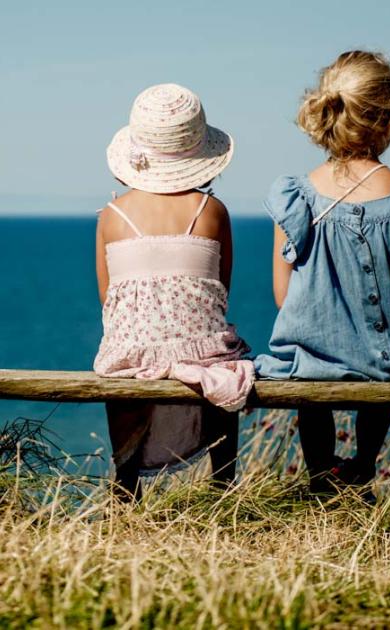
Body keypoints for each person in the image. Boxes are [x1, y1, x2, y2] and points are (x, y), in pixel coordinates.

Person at [254, 51, 390, 496]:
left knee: (307, 374)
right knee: (381, 369)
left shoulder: (294, 196)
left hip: (313, 364)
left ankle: (320, 473)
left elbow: (285, 298)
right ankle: (362, 464)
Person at [94, 83, 254, 500]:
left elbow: (108, 301)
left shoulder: (112, 216)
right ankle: (223, 484)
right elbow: (221, 291)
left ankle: (125, 487)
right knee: (226, 354)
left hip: (131, 355)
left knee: (122, 346)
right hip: (200, 353)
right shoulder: (212, 211)